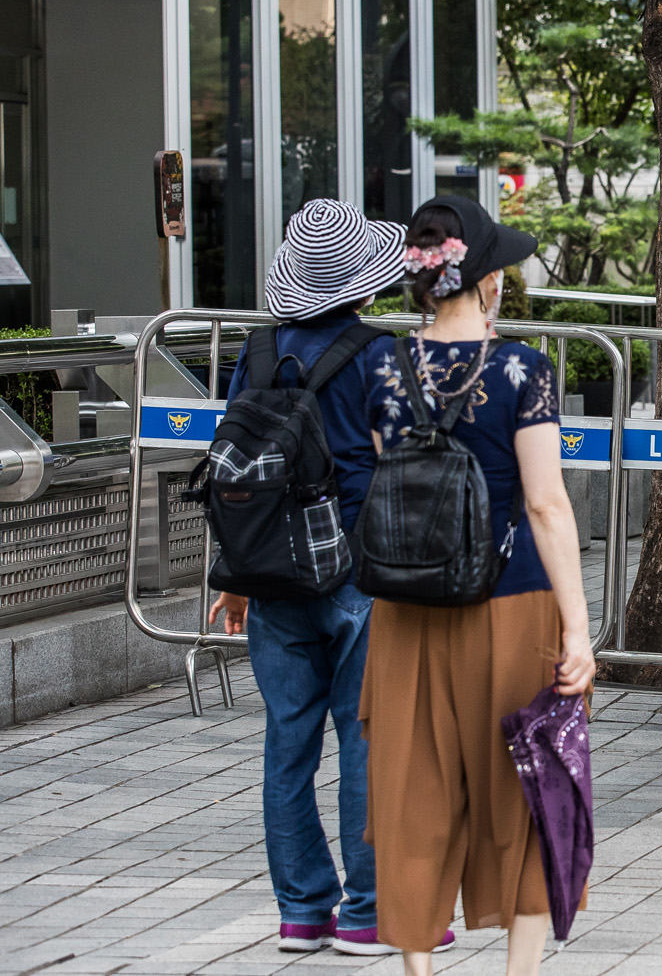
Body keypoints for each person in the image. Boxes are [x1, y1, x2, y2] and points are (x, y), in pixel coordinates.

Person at [358, 194, 596, 970]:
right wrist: (579, 626)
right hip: (511, 601)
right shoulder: (523, 369)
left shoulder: (383, 369)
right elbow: (545, 501)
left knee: (412, 789)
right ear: (487, 279)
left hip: (405, 607)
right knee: (521, 788)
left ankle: (419, 966)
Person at [206, 200, 410, 958]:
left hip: (269, 575)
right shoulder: (378, 353)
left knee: (287, 741)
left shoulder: (255, 354)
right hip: (361, 572)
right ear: (362, 282)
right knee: (366, 739)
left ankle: (301, 912)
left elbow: (237, 475)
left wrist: (231, 580)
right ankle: (369, 911)